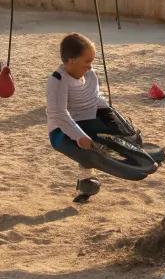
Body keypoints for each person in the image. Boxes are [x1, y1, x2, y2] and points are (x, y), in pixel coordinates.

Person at [46, 32, 127, 203]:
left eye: (92, 61)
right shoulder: (58, 80)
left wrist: (114, 116)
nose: (90, 67)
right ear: (70, 61)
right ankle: (86, 180)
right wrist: (79, 136)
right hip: (62, 130)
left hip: (88, 120)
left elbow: (95, 98)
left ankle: (87, 181)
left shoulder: (90, 75)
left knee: (118, 135)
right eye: (87, 61)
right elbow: (59, 114)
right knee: (88, 149)